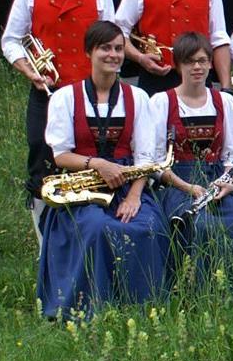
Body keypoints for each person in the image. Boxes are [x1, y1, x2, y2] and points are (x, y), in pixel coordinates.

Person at [36, 21, 170, 318]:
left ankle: (141, 307)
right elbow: (60, 155)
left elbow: (145, 157)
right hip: (83, 185)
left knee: (148, 227)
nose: (113, 55)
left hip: (127, 182)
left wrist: (135, 197)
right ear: (89, 52)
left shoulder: (138, 98)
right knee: (96, 227)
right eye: (105, 48)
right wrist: (96, 163)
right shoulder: (64, 98)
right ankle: (89, 306)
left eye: (119, 49)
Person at [2, 0, 117, 242]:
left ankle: (90, 229)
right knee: (41, 156)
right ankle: (44, 240)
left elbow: (109, 40)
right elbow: (12, 39)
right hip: (46, 91)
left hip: (88, 93)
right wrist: (27, 68)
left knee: (91, 157)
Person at [149, 32, 233, 284]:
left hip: (217, 181)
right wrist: (187, 187)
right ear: (178, 65)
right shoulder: (160, 102)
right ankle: (197, 288)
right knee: (201, 226)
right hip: (176, 182)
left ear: (211, 63)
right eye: (190, 61)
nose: (197, 67)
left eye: (202, 60)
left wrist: (229, 182)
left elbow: (232, 155)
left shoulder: (225, 102)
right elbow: (155, 162)